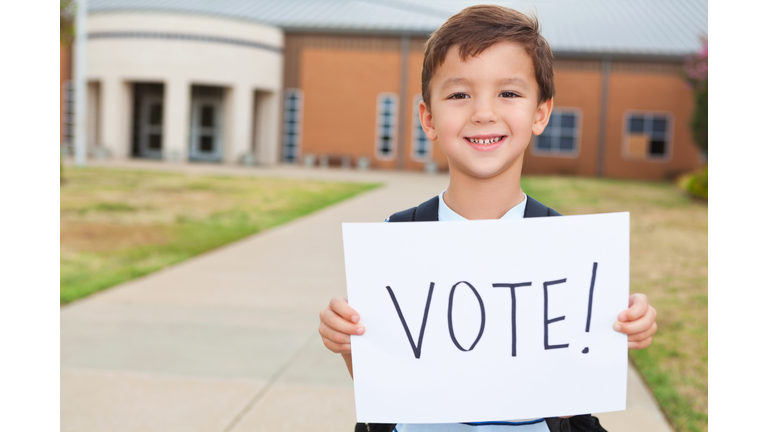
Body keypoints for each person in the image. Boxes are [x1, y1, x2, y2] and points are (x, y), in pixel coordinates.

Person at [319, 5, 658, 432]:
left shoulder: (567, 246)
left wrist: (622, 328)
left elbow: (573, 396)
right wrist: (351, 345)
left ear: (540, 113)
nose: (483, 112)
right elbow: (391, 382)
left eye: (509, 93)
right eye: (459, 94)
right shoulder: (397, 239)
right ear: (428, 118)